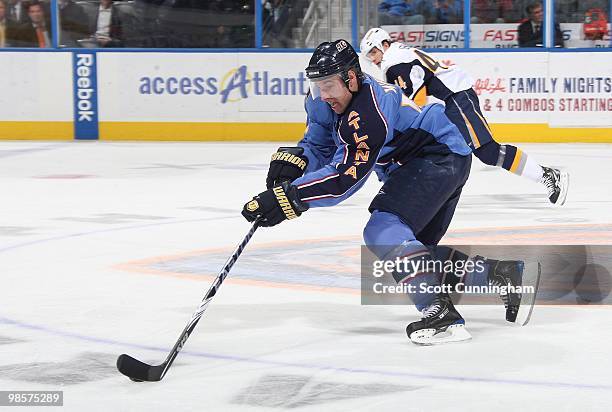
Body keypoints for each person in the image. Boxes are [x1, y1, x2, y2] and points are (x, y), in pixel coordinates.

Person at [241, 40, 537, 345]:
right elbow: (320, 145)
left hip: (438, 154)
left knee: (383, 230)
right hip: (421, 161)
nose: (323, 94)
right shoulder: (323, 100)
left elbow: (345, 178)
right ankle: (505, 275)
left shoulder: (371, 108)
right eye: (317, 86)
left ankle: (442, 316)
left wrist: (290, 197)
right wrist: (298, 163)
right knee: (410, 252)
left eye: (329, 85)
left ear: (351, 78)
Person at [360, 27, 569, 205]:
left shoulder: (392, 61)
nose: (373, 59)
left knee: (488, 151)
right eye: (369, 56)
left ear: (383, 44)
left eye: (373, 52)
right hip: (453, 98)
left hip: (456, 96)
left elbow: (416, 98)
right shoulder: (399, 53)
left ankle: (546, 175)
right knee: (454, 150)